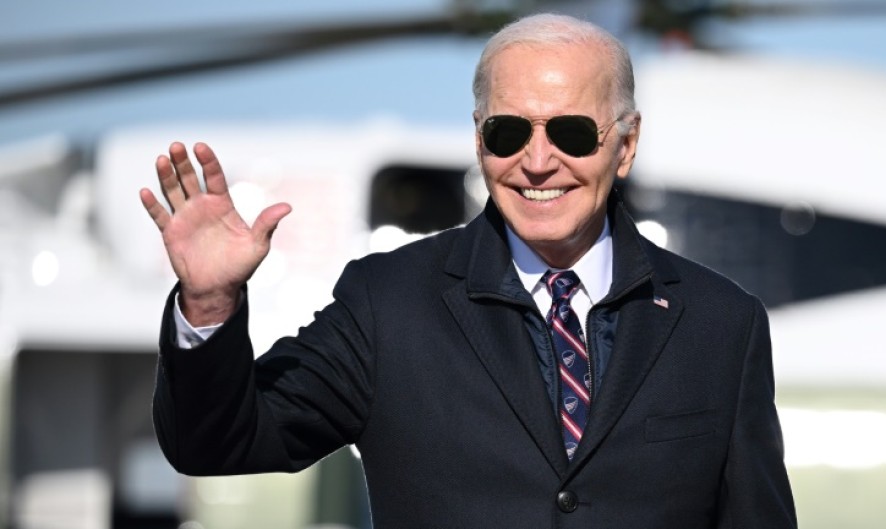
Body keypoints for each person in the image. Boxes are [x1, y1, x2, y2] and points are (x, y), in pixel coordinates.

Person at [142, 13, 797, 528]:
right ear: (479, 138)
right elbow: (216, 443)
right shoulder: (387, 305)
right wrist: (208, 303)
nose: (538, 162)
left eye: (571, 133)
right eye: (509, 133)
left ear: (624, 146)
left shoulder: (721, 325)